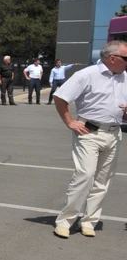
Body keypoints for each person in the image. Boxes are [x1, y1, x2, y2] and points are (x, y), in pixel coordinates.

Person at [51, 40, 127, 239]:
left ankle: (89, 221)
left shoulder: (124, 77)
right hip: (89, 132)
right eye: (126, 58)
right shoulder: (86, 75)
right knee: (85, 175)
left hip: (114, 133)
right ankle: (65, 221)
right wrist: (69, 122)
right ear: (113, 58)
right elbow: (60, 97)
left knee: (103, 181)